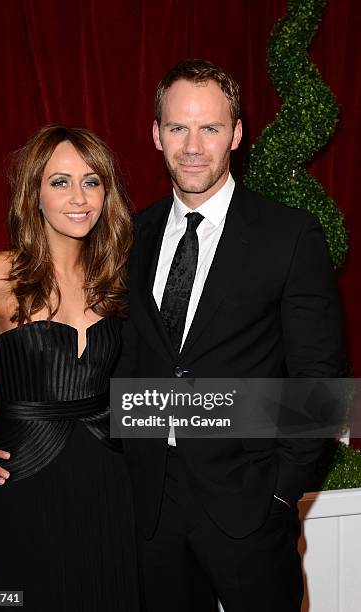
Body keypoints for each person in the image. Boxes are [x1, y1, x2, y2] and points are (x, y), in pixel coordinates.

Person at [114, 59, 342, 612]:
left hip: (250, 505)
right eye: (178, 128)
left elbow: (320, 382)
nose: (192, 146)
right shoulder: (128, 236)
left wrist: (282, 492)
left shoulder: (289, 235)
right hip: (150, 512)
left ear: (236, 133)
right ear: (155, 133)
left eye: (210, 128)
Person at [0, 125, 139, 611]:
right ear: (33, 193)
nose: (78, 197)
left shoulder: (117, 279)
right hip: (22, 483)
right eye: (60, 181)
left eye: (92, 181)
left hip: (111, 479)